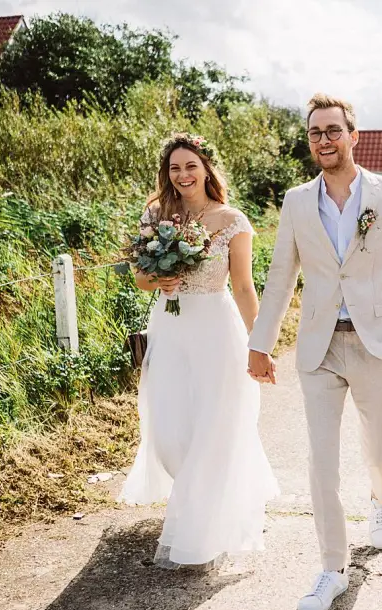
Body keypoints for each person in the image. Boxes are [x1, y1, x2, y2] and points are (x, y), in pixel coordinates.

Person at [247, 93, 382, 610]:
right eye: (315, 133)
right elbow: (280, 279)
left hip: (377, 344)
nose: (323, 139)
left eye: (332, 130)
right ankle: (332, 567)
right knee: (321, 460)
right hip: (320, 346)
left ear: (353, 135)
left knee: (380, 448)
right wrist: (260, 343)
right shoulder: (297, 202)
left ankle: (380, 499)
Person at [119, 132, 279, 570]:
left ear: (206, 168)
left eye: (191, 165)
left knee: (215, 425)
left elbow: (244, 286)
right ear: (166, 173)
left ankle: (201, 525)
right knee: (169, 432)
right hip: (170, 328)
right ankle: (197, 496)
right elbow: (140, 278)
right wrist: (160, 281)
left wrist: (260, 343)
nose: (183, 174)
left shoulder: (233, 220)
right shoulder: (156, 215)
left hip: (216, 329)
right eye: (175, 167)